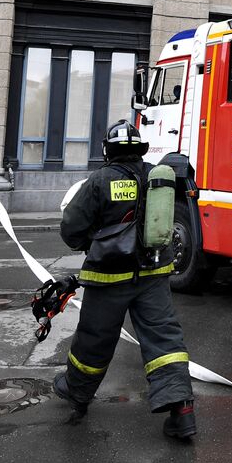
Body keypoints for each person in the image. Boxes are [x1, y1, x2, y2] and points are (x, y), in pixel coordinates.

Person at [54, 120, 196, 440]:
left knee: (95, 338)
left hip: (109, 275)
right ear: (139, 149)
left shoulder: (99, 180)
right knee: (164, 339)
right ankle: (182, 408)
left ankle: (76, 393)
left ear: (108, 150)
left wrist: (89, 240)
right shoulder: (154, 175)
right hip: (154, 274)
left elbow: (71, 230)